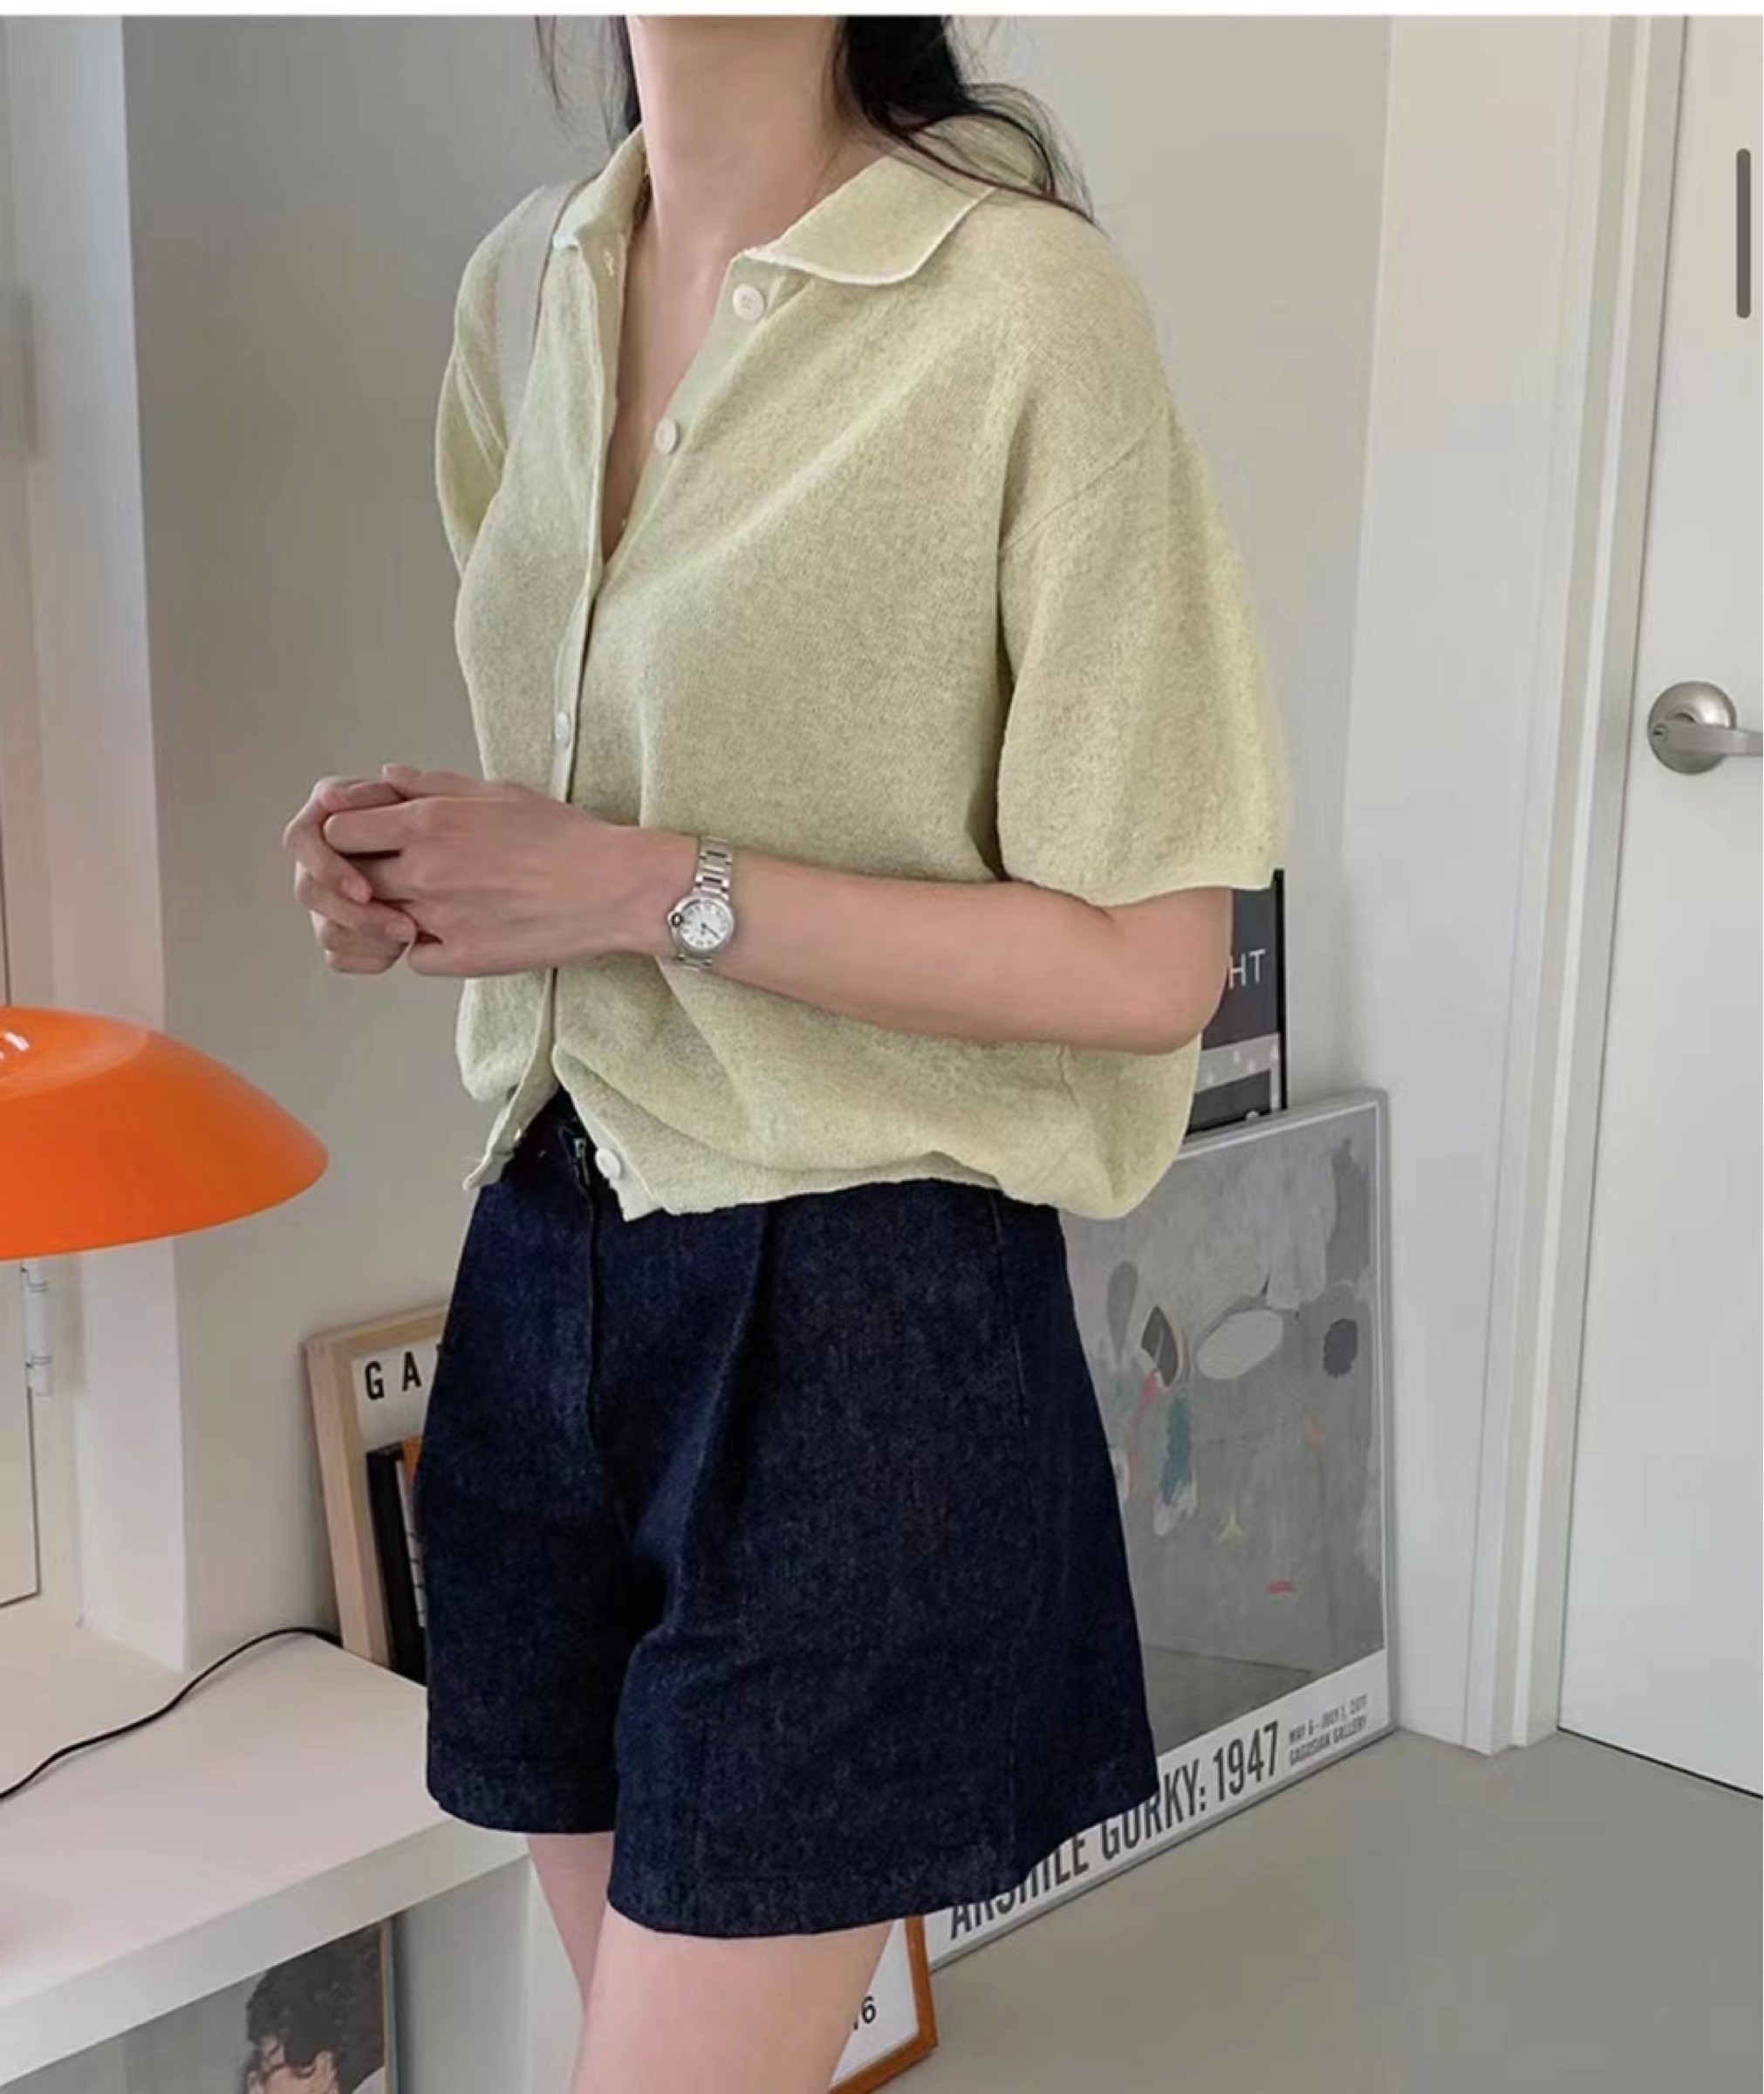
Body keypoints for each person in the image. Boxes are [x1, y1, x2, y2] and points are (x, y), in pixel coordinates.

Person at [281, 17, 1289, 2092]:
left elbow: (1153, 960)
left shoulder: (1021, 303)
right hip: (545, 1261)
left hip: (858, 1311)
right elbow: (588, 781)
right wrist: (435, 882)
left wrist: (644, 887)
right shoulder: (524, 287)